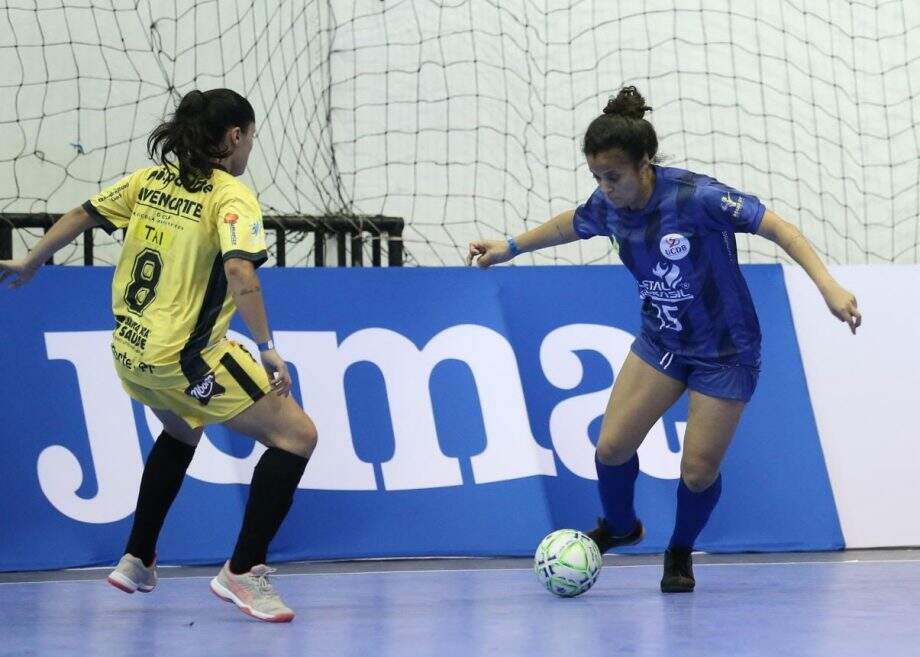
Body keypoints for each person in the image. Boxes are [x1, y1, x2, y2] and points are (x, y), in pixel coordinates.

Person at [467, 86, 861, 593]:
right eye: (596, 177)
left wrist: (828, 285)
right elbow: (574, 222)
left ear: (645, 163)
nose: (605, 187)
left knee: (697, 473)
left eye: (613, 176)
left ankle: (679, 550)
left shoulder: (697, 198)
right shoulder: (607, 205)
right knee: (610, 448)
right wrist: (511, 247)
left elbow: (779, 228)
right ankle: (621, 526)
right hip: (663, 340)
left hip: (725, 351)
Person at [0, 88, 317, 622]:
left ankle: (138, 558)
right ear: (235, 136)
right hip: (187, 362)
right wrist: (266, 348)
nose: (250, 149)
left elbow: (81, 213)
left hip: (131, 355)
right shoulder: (231, 196)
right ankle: (244, 570)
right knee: (297, 436)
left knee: (180, 431)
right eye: (251, 138)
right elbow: (241, 272)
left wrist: (33, 259)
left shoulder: (148, 182)